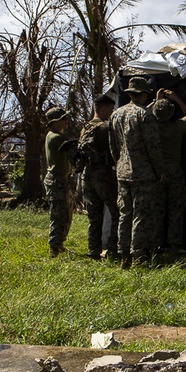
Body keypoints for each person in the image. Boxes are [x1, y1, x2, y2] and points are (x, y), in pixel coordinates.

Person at [109, 76, 165, 269]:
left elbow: (113, 147)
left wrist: (120, 163)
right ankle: (139, 256)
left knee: (125, 213)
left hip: (122, 173)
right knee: (141, 215)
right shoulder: (145, 116)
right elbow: (153, 147)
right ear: (142, 94)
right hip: (143, 174)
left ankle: (123, 254)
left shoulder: (116, 115)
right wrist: (159, 170)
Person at [152, 88, 186, 255]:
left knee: (156, 210)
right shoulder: (177, 127)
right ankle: (174, 246)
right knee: (176, 209)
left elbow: (142, 114)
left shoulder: (151, 127)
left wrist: (156, 100)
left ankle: (155, 245)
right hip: (174, 170)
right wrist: (176, 98)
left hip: (156, 172)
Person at [77, 93, 118, 260]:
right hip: (104, 173)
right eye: (110, 109)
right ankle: (113, 248)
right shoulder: (105, 128)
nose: (111, 112)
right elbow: (114, 150)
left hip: (87, 175)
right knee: (116, 211)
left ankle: (93, 250)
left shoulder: (85, 128)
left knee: (94, 216)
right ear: (103, 108)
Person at [44, 105, 76, 257]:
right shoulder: (57, 137)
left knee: (66, 212)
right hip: (56, 179)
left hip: (61, 179)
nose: (67, 121)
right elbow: (73, 145)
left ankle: (59, 243)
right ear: (56, 122)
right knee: (59, 214)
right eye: (64, 119)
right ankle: (54, 247)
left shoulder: (53, 135)